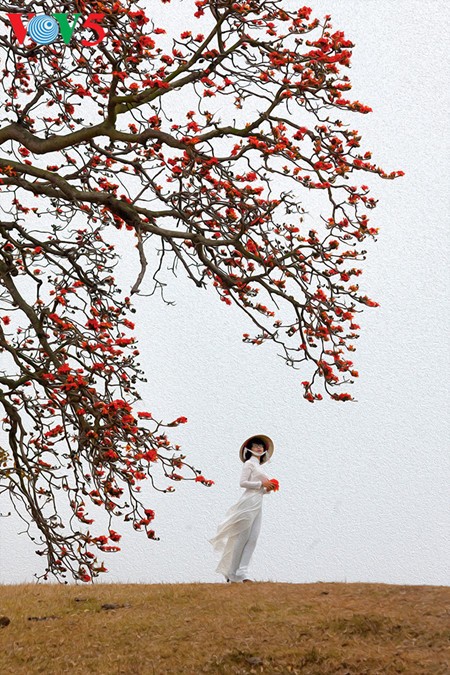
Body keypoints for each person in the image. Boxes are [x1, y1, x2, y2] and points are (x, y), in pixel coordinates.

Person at [208, 434, 276, 583]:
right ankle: (233, 572)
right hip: (248, 501)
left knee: (253, 538)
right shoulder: (249, 464)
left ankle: (243, 571)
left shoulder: (258, 466)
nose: (258, 448)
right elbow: (243, 483)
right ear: (249, 449)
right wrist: (260, 485)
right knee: (242, 537)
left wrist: (268, 488)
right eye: (255, 445)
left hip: (258, 501)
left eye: (260, 446)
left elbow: (261, 488)